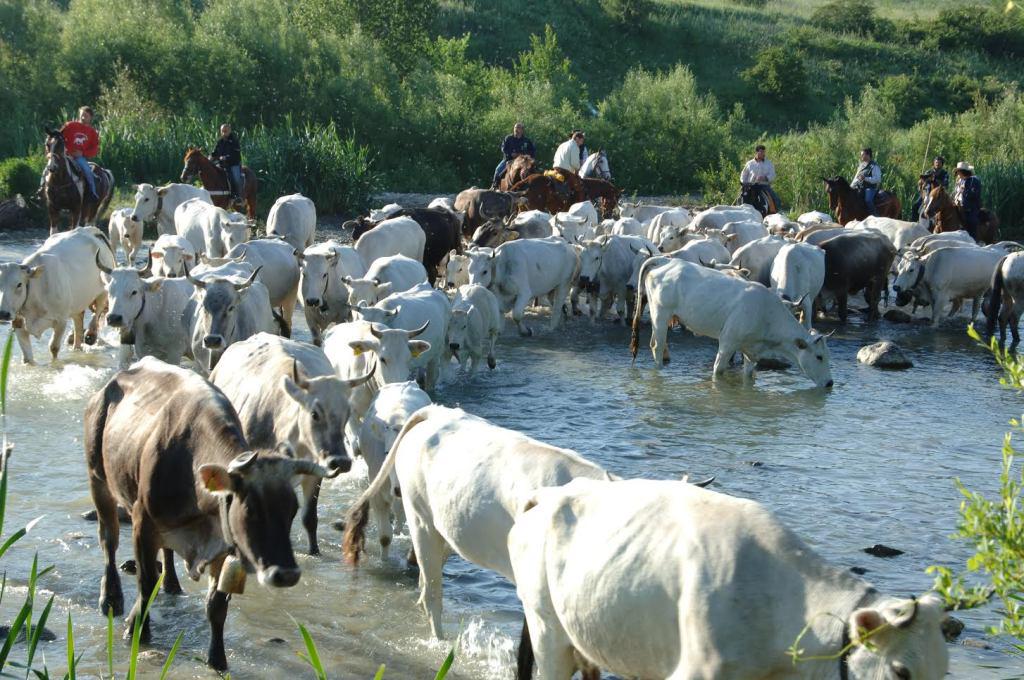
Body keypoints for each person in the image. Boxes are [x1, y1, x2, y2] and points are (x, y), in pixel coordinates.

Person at [39, 106, 101, 202]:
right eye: (82, 115)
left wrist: (82, 153)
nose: (83, 118)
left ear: (90, 118)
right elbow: (58, 137)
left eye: (86, 116)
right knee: (47, 169)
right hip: (64, 155)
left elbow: (95, 149)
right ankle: (41, 190)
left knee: (87, 171)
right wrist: (50, 148)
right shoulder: (70, 125)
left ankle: (92, 193)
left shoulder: (92, 133)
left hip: (79, 158)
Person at [491, 122, 536, 189]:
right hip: (509, 160)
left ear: (522, 130)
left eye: (518, 128)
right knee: (498, 170)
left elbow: (532, 151)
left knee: (533, 171)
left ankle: (534, 187)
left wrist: (525, 156)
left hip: (522, 162)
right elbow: (503, 148)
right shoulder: (508, 138)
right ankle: (494, 186)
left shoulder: (527, 141)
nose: (516, 129)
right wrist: (511, 154)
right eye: (515, 127)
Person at [739, 144, 780, 212]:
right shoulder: (749, 163)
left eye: (764, 152)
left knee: (775, 198)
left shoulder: (768, 163)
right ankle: (737, 210)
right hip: (750, 185)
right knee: (740, 197)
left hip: (763, 185)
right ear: (757, 152)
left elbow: (773, 174)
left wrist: (765, 178)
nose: (763, 154)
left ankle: (777, 210)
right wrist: (744, 183)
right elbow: (743, 175)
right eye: (761, 152)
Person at [212, 123, 243, 201]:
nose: (223, 133)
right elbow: (215, 152)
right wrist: (210, 157)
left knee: (236, 178)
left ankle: (238, 196)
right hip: (221, 164)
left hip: (233, 164)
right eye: (222, 131)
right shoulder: (219, 142)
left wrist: (226, 157)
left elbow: (236, 155)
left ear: (229, 131)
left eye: (225, 131)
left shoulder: (234, 141)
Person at [953, 161, 982, 238]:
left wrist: (965, 191)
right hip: (957, 205)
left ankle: (973, 238)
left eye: (958, 171)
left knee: (971, 221)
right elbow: (955, 193)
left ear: (963, 172)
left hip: (970, 207)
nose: (957, 173)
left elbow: (975, 194)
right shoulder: (959, 181)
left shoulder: (974, 180)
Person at [851, 147, 881, 216]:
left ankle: (876, 216)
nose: (861, 156)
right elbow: (856, 177)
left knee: (868, 200)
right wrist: (851, 187)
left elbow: (877, 179)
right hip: (859, 187)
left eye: (862, 155)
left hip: (870, 188)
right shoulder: (861, 166)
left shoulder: (874, 166)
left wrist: (865, 178)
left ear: (868, 155)